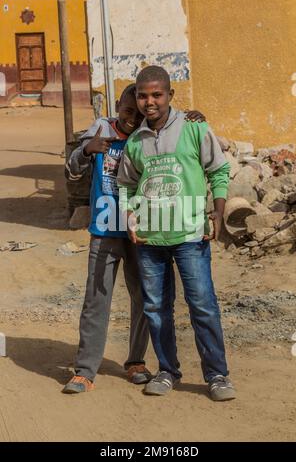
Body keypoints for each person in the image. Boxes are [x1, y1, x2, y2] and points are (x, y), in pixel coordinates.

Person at [63, 83, 205, 393]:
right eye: (126, 112)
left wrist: (195, 117)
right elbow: (71, 168)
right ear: (117, 108)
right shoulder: (101, 128)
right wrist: (87, 150)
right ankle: (85, 369)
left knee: (144, 298)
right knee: (96, 299)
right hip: (104, 229)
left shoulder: (148, 136)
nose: (131, 119)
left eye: (137, 114)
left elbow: (179, 142)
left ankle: (136, 361)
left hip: (141, 230)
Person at [117, 67, 236, 401]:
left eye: (156, 94)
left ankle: (218, 375)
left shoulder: (195, 128)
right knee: (156, 308)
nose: (149, 102)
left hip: (190, 235)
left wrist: (219, 208)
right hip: (150, 240)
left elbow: (219, 169)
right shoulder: (135, 141)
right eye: (143, 95)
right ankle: (167, 370)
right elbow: (125, 184)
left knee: (203, 305)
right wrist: (130, 217)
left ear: (170, 95)